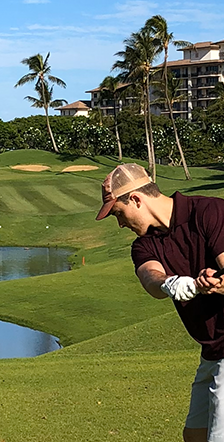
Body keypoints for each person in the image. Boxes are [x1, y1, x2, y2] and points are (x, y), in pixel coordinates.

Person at [97, 163, 224, 442]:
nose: (120, 224)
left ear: (136, 199)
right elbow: (150, 278)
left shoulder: (208, 212)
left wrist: (215, 285)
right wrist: (173, 283)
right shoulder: (144, 244)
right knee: (194, 435)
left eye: (119, 213)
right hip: (212, 349)